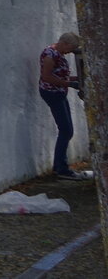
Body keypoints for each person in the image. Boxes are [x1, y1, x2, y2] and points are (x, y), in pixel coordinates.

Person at [39, 31, 83, 180]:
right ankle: (62, 169)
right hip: (52, 93)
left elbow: (60, 74)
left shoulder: (58, 53)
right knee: (66, 130)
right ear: (64, 43)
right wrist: (69, 83)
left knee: (67, 130)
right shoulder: (50, 55)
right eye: (70, 48)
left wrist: (77, 79)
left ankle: (59, 166)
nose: (70, 52)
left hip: (59, 92)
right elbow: (47, 77)